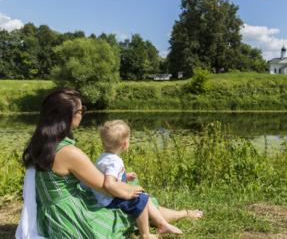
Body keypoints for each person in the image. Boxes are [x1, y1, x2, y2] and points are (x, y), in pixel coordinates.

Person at [21, 89, 202, 239]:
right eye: (81, 109)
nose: (82, 113)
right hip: (71, 219)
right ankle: (182, 214)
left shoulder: (41, 143)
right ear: (69, 115)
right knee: (138, 202)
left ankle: (177, 215)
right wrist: (132, 189)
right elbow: (106, 187)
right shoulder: (69, 152)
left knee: (133, 197)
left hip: (50, 215)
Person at [92, 120, 183, 235]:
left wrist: (125, 177)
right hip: (109, 200)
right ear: (125, 144)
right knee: (141, 199)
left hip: (103, 196)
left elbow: (108, 176)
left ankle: (162, 224)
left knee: (142, 195)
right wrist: (126, 195)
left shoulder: (103, 157)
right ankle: (145, 234)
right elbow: (109, 184)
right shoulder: (115, 162)